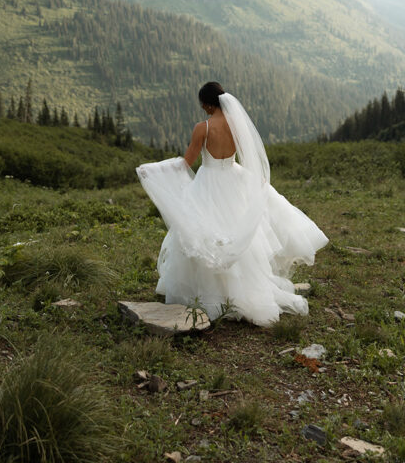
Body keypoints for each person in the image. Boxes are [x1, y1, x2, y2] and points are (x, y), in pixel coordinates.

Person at [136, 82, 328, 326]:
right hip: (235, 181)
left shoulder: (203, 128)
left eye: (203, 105)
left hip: (209, 183)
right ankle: (241, 292)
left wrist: (153, 170)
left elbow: (185, 164)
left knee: (203, 234)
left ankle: (210, 296)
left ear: (207, 104)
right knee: (239, 236)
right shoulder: (238, 125)